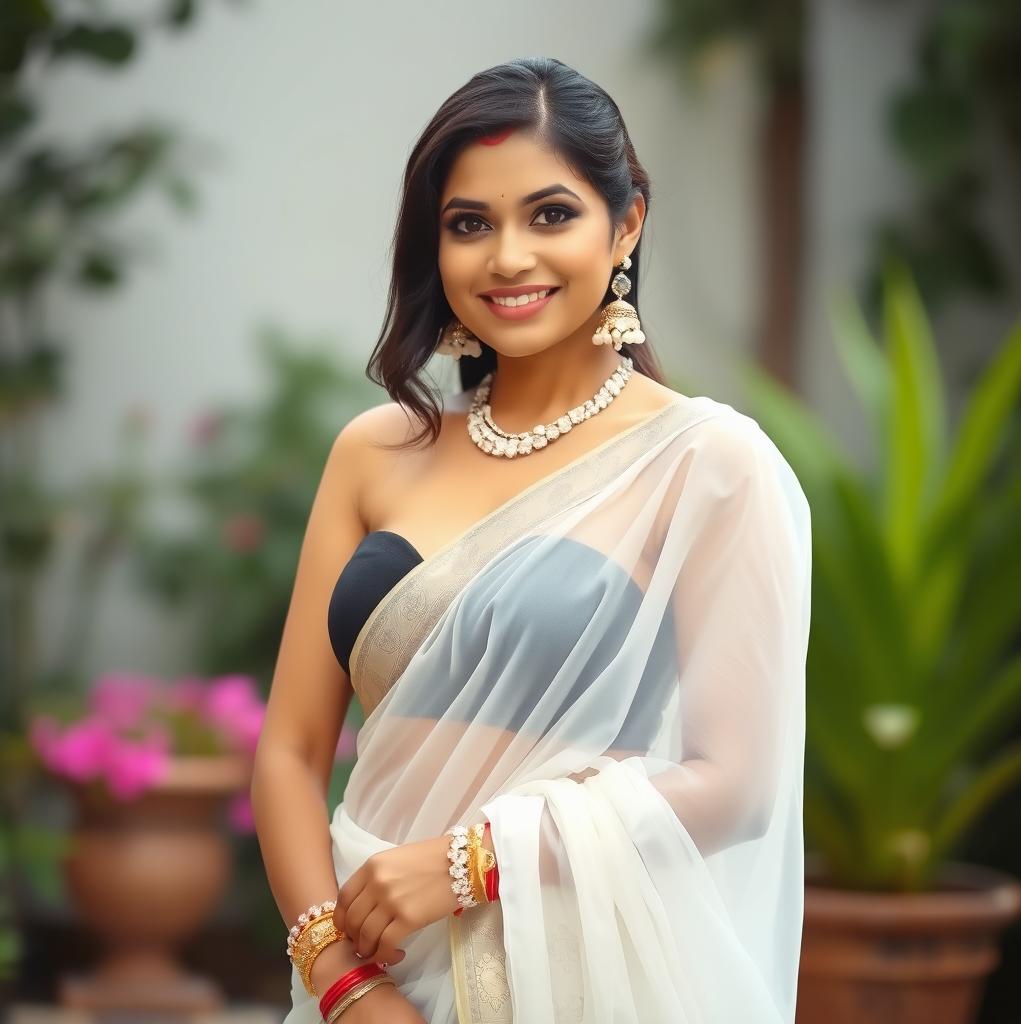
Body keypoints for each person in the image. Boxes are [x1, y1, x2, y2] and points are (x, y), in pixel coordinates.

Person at [252, 56, 812, 1024]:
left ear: (625, 221)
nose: (507, 257)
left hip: (582, 971)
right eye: (469, 224)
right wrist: (340, 980)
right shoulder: (375, 452)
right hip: (369, 970)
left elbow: (737, 785)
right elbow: (290, 754)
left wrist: (470, 863)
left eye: (550, 214)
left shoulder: (706, 462)